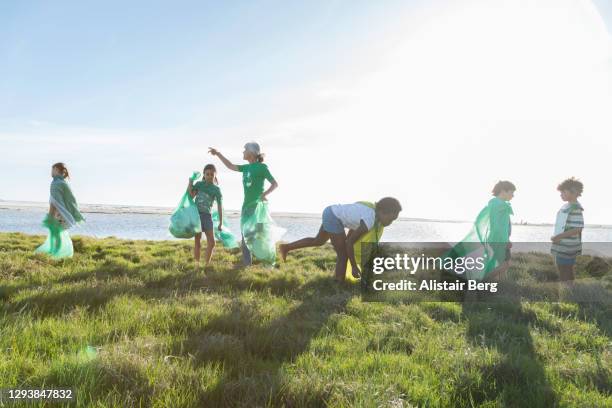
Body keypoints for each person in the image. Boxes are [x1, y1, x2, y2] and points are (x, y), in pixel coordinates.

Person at [279, 198, 402, 281]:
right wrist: (354, 266)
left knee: (318, 241)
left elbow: (353, 222)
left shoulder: (372, 212)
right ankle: (339, 284)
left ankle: (285, 247)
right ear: (383, 212)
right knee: (343, 255)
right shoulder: (370, 220)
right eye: (391, 219)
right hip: (334, 217)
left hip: (332, 211)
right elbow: (350, 242)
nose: (391, 223)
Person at [208, 142, 278, 266]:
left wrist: (264, 194)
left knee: (258, 235)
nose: (243, 152)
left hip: (257, 208)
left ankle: (265, 259)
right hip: (246, 207)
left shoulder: (262, 167)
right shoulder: (245, 168)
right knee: (244, 235)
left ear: (251, 153)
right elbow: (230, 165)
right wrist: (218, 154)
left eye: (245, 150)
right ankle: (247, 263)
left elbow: (274, 184)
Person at [445, 181, 515, 281]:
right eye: (511, 192)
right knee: (505, 264)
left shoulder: (498, 204)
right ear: (503, 191)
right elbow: (496, 226)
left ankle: (502, 283)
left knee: (499, 262)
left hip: (499, 238)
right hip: (499, 239)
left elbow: (503, 225)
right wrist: (505, 240)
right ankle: (482, 281)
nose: (513, 195)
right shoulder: (498, 205)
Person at [35, 162, 85, 259]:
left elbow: (55, 202)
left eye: (52, 170)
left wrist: (50, 216)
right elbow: (69, 201)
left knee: (55, 235)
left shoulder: (56, 183)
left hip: (58, 214)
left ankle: (55, 254)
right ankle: (60, 253)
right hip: (65, 215)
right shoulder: (64, 183)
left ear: (57, 170)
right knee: (59, 234)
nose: (51, 172)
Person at [187, 164, 223, 267]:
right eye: (207, 174)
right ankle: (197, 265)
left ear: (215, 175)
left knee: (212, 243)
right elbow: (191, 196)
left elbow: (220, 206)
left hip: (207, 216)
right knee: (197, 242)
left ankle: (206, 265)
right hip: (197, 216)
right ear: (204, 174)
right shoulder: (199, 184)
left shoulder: (216, 190)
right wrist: (190, 183)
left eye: (212, 174)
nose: (210, 176)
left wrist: (221, 223)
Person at [551, 177, 584, 284]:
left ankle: (568, 292)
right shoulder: (567, 206)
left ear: (573, 192)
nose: (561, 194)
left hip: (567, 247)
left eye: (563, 192)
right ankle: (569, 292)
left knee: (564, 270)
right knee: (564, 269)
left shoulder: (575, 208)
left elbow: (578, 228)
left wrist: (559, 237)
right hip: (563, 245)